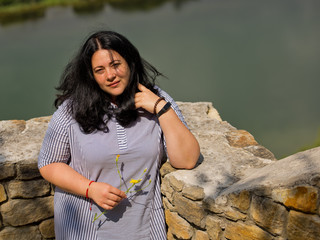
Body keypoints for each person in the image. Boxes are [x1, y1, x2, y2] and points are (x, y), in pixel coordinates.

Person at [38, 30, 200, 240]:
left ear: (130, 62)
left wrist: (161, 108)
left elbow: (186, 160)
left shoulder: (155, 98)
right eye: (100, 70)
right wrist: (90, 189)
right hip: (85, 231)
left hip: (146, 231)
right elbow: (49, 164)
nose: (110, 75)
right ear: (91, 75)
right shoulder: (72, 110)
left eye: (116, 64)